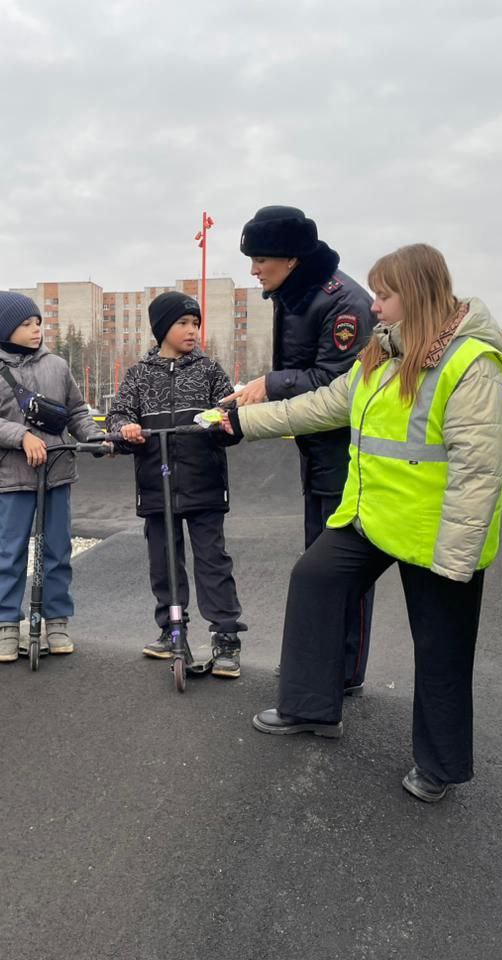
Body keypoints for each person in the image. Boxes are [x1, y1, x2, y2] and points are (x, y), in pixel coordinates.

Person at [220, 243, 502, 801]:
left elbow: (479, 472)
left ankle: (439, 765)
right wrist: (239, 421)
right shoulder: (383, 355)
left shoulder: (473, 364)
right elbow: (326, 404)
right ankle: (310, 708)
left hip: (437, 533)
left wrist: (457, 560)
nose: (373, 306)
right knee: (315, 580)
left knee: (442, 647)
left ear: (418, 294)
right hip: (371, 516)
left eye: (384, 295)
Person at [225, 206, 374, 693]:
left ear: (291, 259)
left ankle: (339, 673)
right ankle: (324, 667)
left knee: (338, 568)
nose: (253, 270)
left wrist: (271, 385)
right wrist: (264, 386)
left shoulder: (343, 303)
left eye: (260, 259)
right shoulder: (294, 292)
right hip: (319, 453)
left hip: (346, 455)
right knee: (321, 563)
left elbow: (337, 388)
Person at [108, 292, 247, 677]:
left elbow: (231, 420)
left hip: (204, 485)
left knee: (212, 562)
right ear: (162, 328)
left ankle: (225, 637)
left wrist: (224, 423)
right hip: (157, 487)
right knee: (164, 563)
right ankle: (172, 629)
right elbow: (117, 419)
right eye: (183, 323)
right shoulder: (138, 375)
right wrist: (126, 430)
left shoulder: (209, 371)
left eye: (195, 323)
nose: (192, 331)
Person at [0, 292, 105, 662]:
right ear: (6, 329)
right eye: (26, 324)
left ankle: (57, 620)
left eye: (38, 322)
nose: (36, 329)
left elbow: (76, 412)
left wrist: (93, 436)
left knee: (58, 550)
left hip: (57, 474)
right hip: (14, 478)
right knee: (11, 553)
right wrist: (21, 436)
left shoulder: (57, 366)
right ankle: (8, 625)